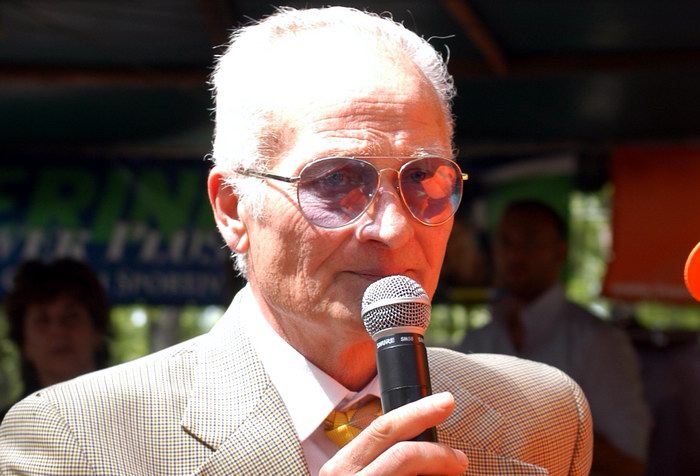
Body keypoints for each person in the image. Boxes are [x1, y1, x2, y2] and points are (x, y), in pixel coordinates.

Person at [0, 7, 592, 475]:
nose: (392, 228)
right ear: (234, 210)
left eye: (423, 180)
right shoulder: (74, 441)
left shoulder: (542, 417)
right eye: (336, 182)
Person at [457, 199, 651, 475]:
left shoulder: (599, 343)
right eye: (506, 242)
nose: (515, 253)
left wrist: (527, 431)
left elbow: (629, 462)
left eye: (530, 242)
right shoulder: (476, 343)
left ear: (560, 252)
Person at [0, 258, 111, 422]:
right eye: (42, 321)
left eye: (71, 317)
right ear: (24, 343)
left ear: (97, 332)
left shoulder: (137, 417)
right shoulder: (6, 429)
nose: (58, 331)